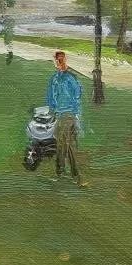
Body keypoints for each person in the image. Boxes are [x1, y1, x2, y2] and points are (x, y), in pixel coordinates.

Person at [45, 51, 82, 180]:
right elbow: (51, 98)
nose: (59, 62)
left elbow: (77, 94)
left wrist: (74, 112)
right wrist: (52, 112)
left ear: (64, 60)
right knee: (69, 145)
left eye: (61, 60)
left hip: (67, 114)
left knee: (62, 144)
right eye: (57, 60)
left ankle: (60, 172)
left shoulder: (69, 78)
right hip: (62, 114)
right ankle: (75, 173)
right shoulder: (55, 79)